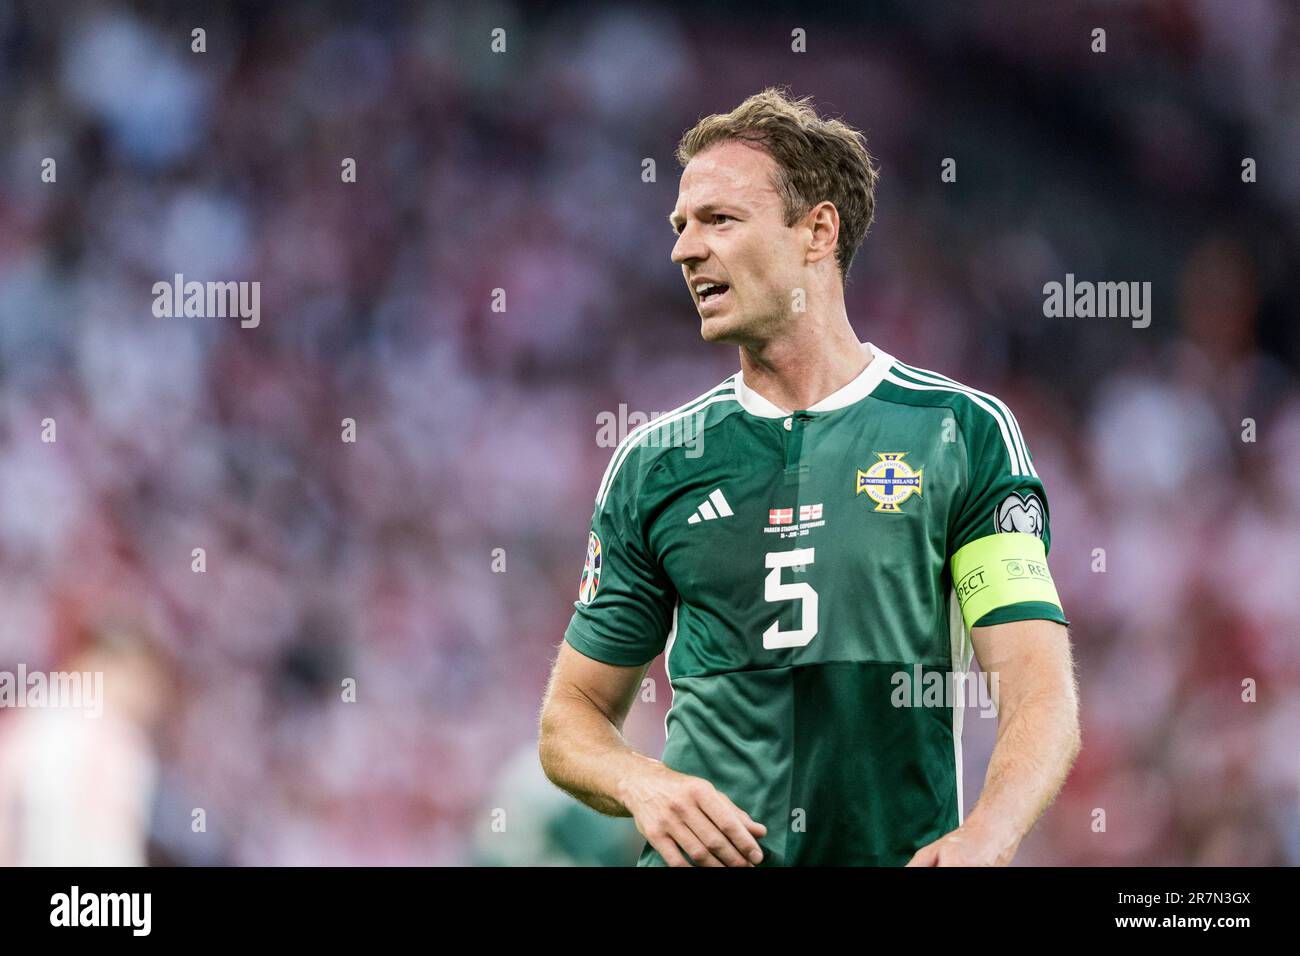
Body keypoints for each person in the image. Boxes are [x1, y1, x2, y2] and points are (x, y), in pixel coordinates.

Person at [539, 88, 1080, 866]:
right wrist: (641, 782)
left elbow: (1037, 689)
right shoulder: (654, 463)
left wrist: (989, 834)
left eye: (718, 220)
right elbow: (572, 717)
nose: (684, 250)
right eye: (680, 226)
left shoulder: (959, 433)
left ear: (816, 232)